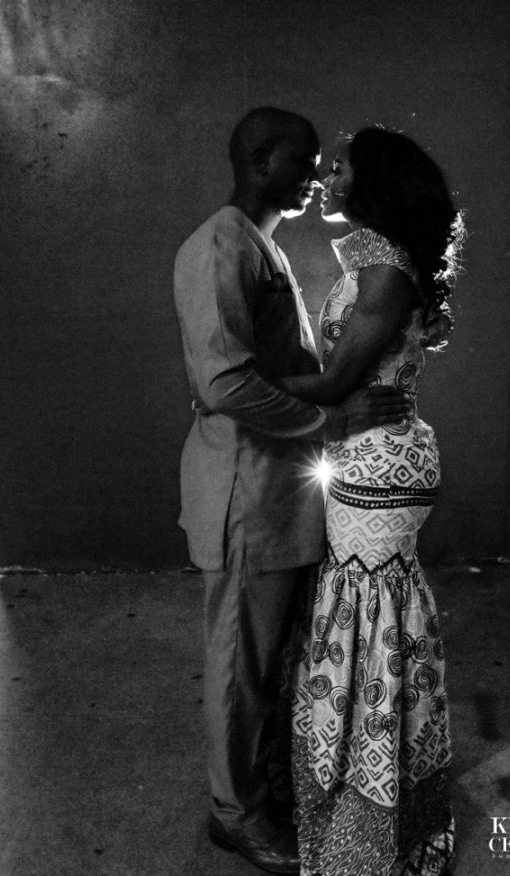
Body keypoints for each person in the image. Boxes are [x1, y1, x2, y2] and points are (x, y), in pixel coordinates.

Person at [173, 107, 411, 874]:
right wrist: (327, 415)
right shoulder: (219, 245)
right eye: (303, 160)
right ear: (261, 156)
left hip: (272, 491)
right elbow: (224, 381)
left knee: (268, 659)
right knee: (242, 663)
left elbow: (239, 376)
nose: (313, 174)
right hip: (246, 496)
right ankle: (235, 815)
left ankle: (257, 795)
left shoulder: (257, 245)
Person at [277, 127, 464, 875]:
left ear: (375, 184)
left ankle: (371, 829)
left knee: (366, 625)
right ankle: (382, 806)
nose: (328, 174)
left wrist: (230, 388)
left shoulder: (385, 271)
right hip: (372, 454)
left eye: (342, 165)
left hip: (381, 464)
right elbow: (340, 385)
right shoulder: (375, 262)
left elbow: (331, 385)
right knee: (371, 621)